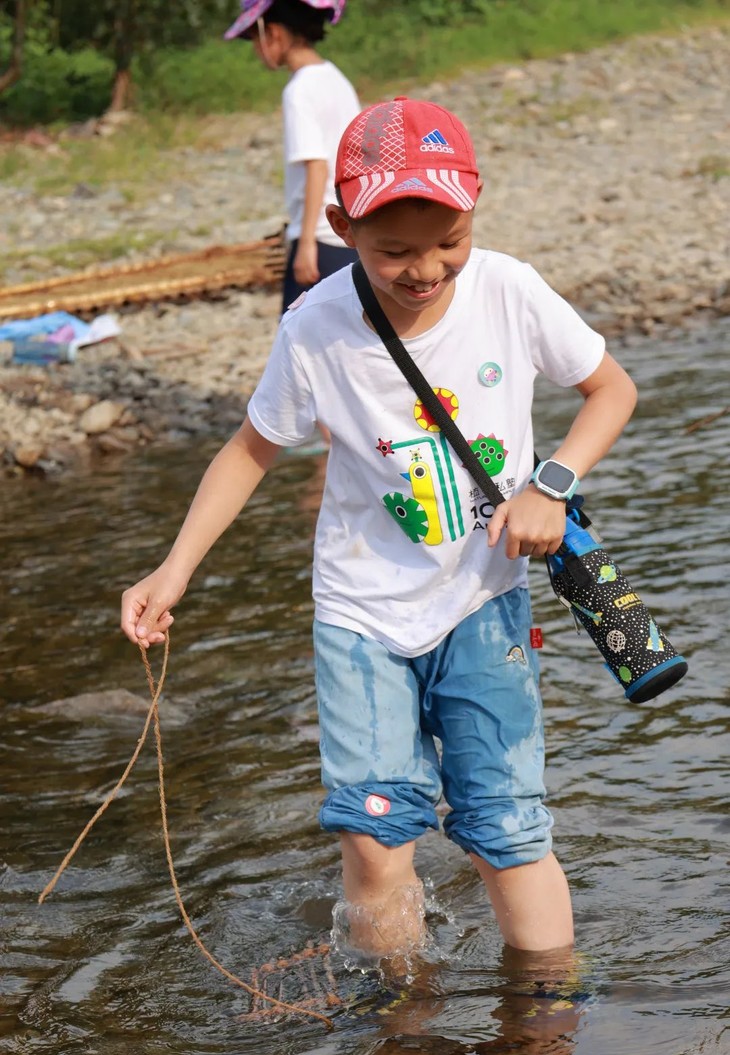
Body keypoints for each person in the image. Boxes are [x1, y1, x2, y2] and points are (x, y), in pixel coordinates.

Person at [121, 97, 637, 963]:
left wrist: (551, 485)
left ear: (476, 210)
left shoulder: (509, 290)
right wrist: (173, 569)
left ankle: (547, 1018)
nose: (426, 269)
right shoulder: (316, 327)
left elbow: (611, 389)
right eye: (394, 250)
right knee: (371, 833)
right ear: (341, 226)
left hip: (483, 602)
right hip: (360, 614)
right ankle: (404, 1015)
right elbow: (251, 450)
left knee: (506, 827)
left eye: (451, 242)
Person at [225, 0, 361, 313]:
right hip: (348, 228)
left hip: (321, 236)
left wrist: (307, 244)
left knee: (299, 344)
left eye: (254, 39)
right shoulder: (334, 77)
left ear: (272, 32)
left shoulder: (299, 90)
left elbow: (317, 166)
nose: (256, 50)